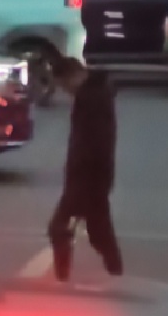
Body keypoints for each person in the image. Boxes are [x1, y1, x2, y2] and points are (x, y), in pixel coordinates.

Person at [47, 55, 122, 282]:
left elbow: (92, 143)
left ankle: (62, 278)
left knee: (59, 228)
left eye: (64, 85)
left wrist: (78, 179)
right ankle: (115, 273)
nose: (66, 91)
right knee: (99, 233)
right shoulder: (95, 95)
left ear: (73, 76)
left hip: (86, 179)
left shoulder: (91, 99)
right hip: (92, 178)